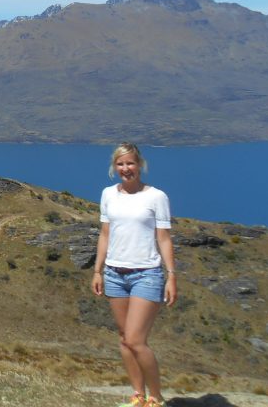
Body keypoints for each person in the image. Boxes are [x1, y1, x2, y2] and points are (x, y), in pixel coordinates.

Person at [92, 142, 177, 407]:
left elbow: (163, 238)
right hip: (115, 274)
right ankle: (138, 395)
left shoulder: (156, 197)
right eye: (120, 164)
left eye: (130, 163)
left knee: (136, 340)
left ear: (140, 164)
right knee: (124, 339)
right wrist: (98, 270)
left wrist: (171, 275)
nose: (126, 168)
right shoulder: (108, 194)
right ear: (114, 167)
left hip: (146, 275)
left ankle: (157, 398)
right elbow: (105, 234)